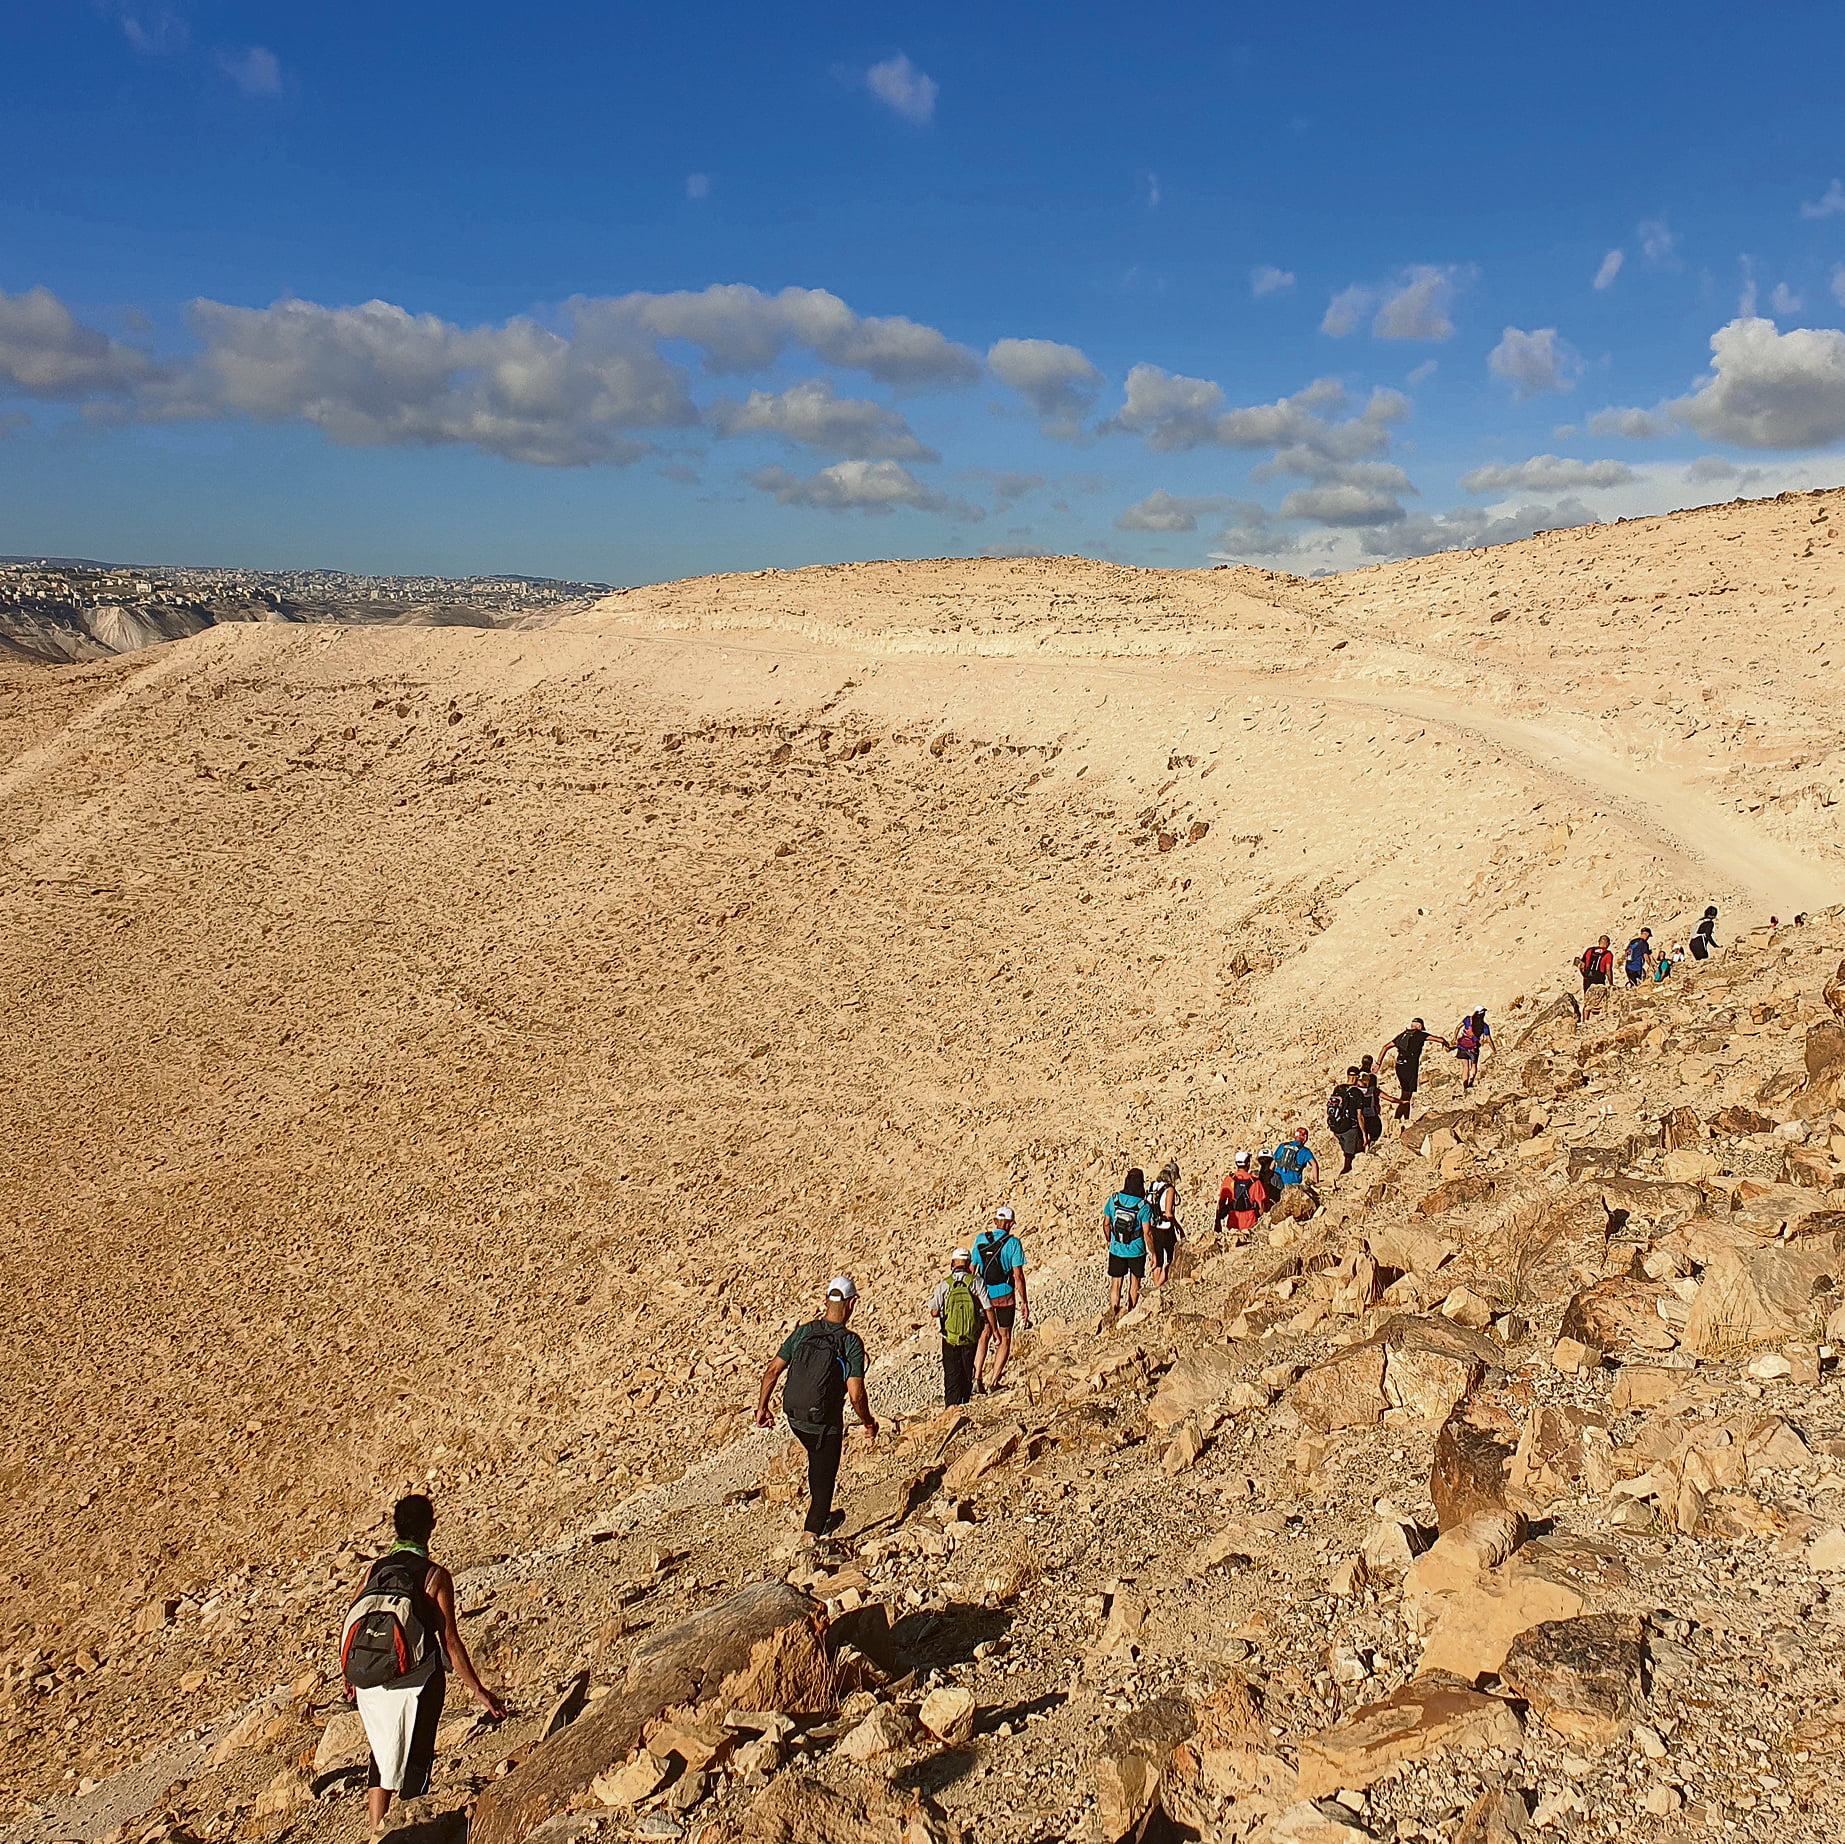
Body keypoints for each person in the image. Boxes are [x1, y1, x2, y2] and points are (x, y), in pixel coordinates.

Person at [343, 1494, 505, 1835]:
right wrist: (479, 1691)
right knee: (418, 1753)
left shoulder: (374, 1570)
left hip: (370, 1681)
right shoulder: (435, 1577)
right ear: (430, 1527)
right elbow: (449, 1640)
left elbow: (353, 1618)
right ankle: (411, 1826)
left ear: (396, 1527)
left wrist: (350, 1675)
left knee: (381, 1748)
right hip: (416, 1679)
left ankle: (377, 1831)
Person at [755, 1276, 877, 1548]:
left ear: (826, 1301)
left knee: (815, 1459)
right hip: (825, 1424)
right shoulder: (850, 1342)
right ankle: (811, 1538)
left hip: (795, 1419)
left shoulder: (804, 1332)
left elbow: (772, 1371)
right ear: (852, 1303)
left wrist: (762, 1408)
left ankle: (819, 1516)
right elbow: (856, 1394)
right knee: (825, 1477)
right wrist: (868, 1422)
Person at [972, 1206, 1030, 1393]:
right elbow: (1018, 1275)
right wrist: (1024, 1302)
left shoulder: (981, 1240)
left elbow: (973, 1269)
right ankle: (994, 1381)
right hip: (1005, 1296)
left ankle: (977, 1377)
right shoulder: (1013, 1243)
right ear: (1011, 1224)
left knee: (984, 1335)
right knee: (1004, 1338)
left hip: (984, 1296)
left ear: (995, 1221)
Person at [928, 1249, 995, 1408]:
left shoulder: (945, 1284)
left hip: (950, 1338)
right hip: (971, 1336)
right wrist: (995, 1332)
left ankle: (951, 1408)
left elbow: (934, 1311)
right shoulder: (976, 1282)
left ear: (953, 1264)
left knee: (951, 1375)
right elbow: (988, 1308)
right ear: (968, 1264)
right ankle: (965, 1404)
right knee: (966, 1373)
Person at [1103, 1168, 1153, 1316]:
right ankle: (1131, 1312)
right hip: (1136, 1249)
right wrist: (1153, 1252)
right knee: (1135, 1281)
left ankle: (1114, 1312)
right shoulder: (1144, 1206)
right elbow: (1147, 1232)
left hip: (1117, 1247)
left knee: (1116, 1283)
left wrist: (1109, 1240)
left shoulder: (1114, 1199)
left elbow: (1106, 1223)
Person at [1378, 1017, 1446, 1123]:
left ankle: (1401, 1120)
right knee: (1407, 1096)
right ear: (1420, 1026)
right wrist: (1447, 1045)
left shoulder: (1402, 1035)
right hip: (1410, 1067)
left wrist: (1378, 1063)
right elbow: (1439, 1040)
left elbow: (1385, 1047)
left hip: (1399, 1066)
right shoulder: (1421, 1035)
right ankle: (1402, 1120)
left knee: (1404, 1093)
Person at [1214, 1151, 1270, 1241]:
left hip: (1233, 1218)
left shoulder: (1229, 1180)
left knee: (1233, 1244)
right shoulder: (1254, 1181)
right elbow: (1261, 1205)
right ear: (1248, 1163)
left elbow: (1221, 1202)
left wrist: (1217, 1221)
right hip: (1250, 1219)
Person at [1148, 1161, 1182, 1286]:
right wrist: (1179, 1227)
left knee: (1158, 1259)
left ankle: (1155, 1284)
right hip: (1166, 1228)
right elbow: (1169, 1213)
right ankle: (1159, 1286)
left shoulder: (1152, 1186)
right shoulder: (1169, 1189)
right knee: (1171, 1258)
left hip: (1153, 1226)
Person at [1327, 1068, 1367, 1174]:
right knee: (1350, 1155)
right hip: (1350, 1128)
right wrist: (1364, 1134)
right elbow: (1360, 1116)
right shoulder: (1357, 1093)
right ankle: (1346, 1171)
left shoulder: (1338, 1089)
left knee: (1344, 1148)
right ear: (1357, 1077)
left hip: (1337, 1126)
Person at [1271, 1127, 1320, 1193]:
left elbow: (1273, 1163)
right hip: (1291, 1184)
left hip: (1276, 1181)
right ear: (1305, 1138)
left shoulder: (1282, 1146)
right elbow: (1314, 1164)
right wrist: (1315, 1181)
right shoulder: (1305, 1151)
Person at [1455, 1008, 1492, 1089]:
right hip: (1473, 1048)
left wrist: (1455, 1039)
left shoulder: (1468, 1019)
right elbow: (1489, 1039)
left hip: (1463, 1046)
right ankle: (1470, 1082)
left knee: (1465, 1067)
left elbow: (1458, 1027)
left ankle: (1465, 1086)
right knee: (1474, 1065)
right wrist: (1494, 1049)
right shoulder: (1484, 1026)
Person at [1356, 1056, 1384, 1148]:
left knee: (1361, 1132)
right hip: (1371, 1109)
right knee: (1375, 1132)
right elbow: (1374, 1092)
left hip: (1359, 1109)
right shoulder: (1372, 1077)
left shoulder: (1357, 1076)